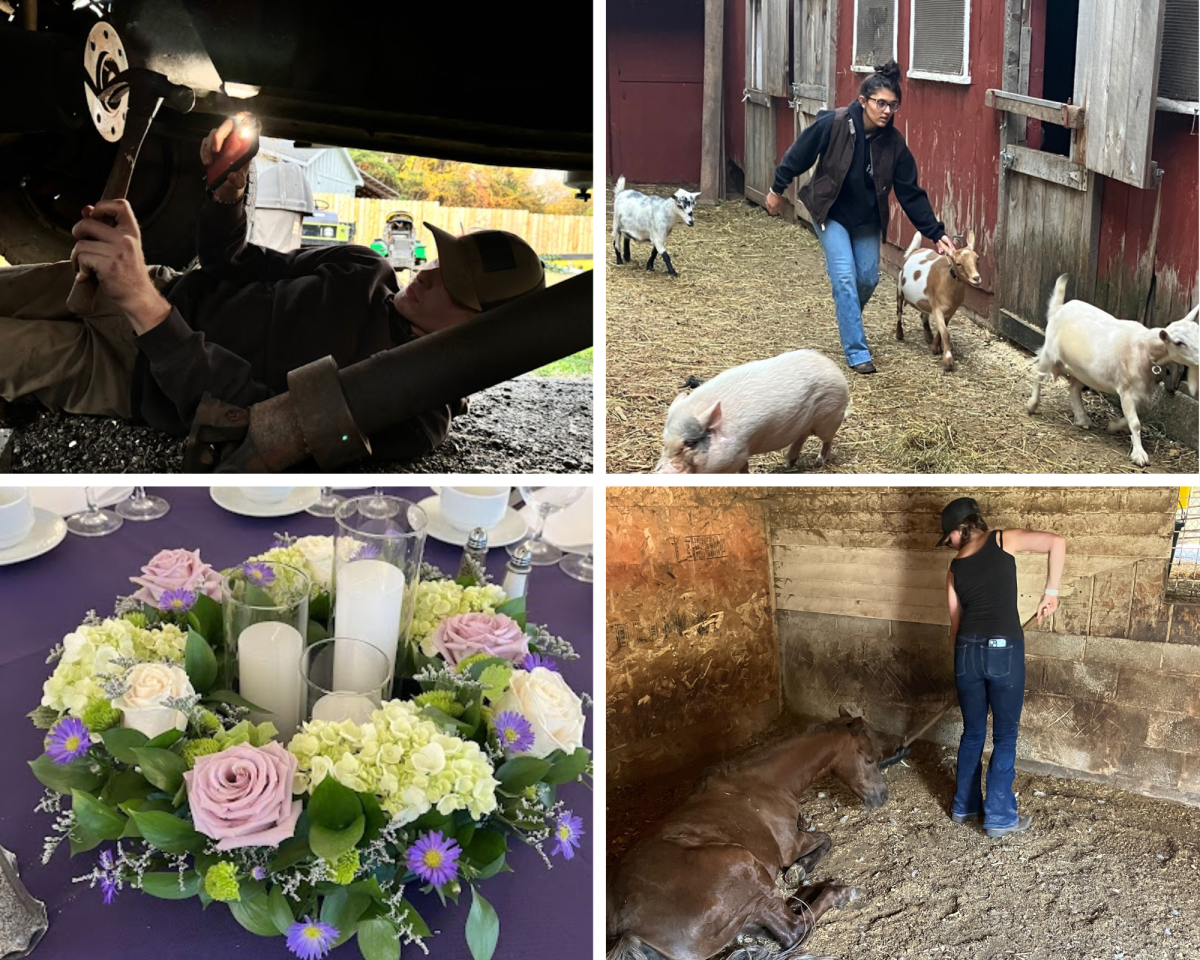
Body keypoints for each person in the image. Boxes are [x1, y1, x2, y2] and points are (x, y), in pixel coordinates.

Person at [0, 119, 545, 461]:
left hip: (131, 374)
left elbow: (259, 425)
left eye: (454, 285)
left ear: (482, 333)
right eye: (442, 260)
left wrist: (144, 307)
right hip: (152, 288)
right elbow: (231, 263)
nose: (428, 274)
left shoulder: (410, 408)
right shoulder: (363, 267)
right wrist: (226, 197)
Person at [766, 60, 952, 375]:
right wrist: (776, 188)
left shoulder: (895, 145)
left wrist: (935, 232)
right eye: (880, 103)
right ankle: (856, 351)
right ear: (863, 101)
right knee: (843, 278)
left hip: (866, 219)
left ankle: (847, 313)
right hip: (830, 211)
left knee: (867, 278)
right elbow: (800, 153)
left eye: (893, 105)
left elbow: (909, 192)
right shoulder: (834, 123)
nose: (886, 111)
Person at [938, 496, 1066, 838]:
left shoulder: (954, 569)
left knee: (972, 733)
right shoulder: (1002, 539)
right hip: (1004, 650)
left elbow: (955, 626)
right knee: (1005, 734)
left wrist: (966, 666)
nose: (949, 544)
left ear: (960, 529)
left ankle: (964, 806)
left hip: (966, 652)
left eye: (948, 536)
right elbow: (1057, 543)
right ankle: (998, 816)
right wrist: (1050, 592)